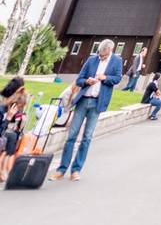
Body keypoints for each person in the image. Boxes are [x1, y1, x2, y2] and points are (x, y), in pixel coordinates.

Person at [51, 37, 124, 181]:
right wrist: (86, 81)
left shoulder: (117, 61)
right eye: (99, 54)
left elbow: (117, 79)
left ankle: (76, 170)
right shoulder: (92, 60)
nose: (100, 56)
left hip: (97, 103)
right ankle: (62, 169)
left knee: (87, 138)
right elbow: (79, 79)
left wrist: (105, 77)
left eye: (103, 55)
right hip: (83, 101)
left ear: (110, 51)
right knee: (72, 135)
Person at [0, 77, 27, 183]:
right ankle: (5, 170)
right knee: (10, 137)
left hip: (6, 132)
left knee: (14, 136)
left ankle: (6, 170)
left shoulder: (11, 103)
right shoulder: (3, 108)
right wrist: (8, 118)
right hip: (4, 133)